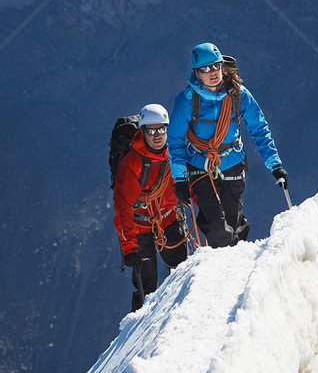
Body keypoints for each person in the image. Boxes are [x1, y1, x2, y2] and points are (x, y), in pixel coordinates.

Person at [167, 43, 288, 247]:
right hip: (200, 164)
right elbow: (175, 140)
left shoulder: (239, 95)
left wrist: (274, 164)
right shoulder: (187, 100)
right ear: (196, 73)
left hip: (233, 162)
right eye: (204, 69)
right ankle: (222, 263)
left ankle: (234, 265)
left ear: (222, 66)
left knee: (234, 224)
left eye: (215, 66)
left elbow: (259, 128)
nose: (212, 72)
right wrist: (179, 178)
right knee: (217, 228)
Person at [113, 104, 188, 311]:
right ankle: (139, 333)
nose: (157, 135)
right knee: (146, 290)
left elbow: (189, 184)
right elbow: (123, 208)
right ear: (142, 132)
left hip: (169, 219)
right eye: (151, 130)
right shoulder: (131, 164)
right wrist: (129, 247)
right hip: (139, 227)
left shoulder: (176, 154)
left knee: (183, 274)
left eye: (161, 129)